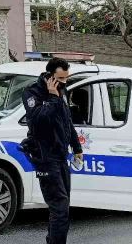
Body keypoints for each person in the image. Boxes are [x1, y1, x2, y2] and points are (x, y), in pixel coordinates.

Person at [21, 57, 83, 244]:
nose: (65, 82)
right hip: (45, 157)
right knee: (60, 207)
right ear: (49, 76)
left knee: (62, 207)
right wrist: (52, 97)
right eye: (61, 78)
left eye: (66, 78)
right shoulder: (32, 93)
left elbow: (66, 121)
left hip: (61, 156)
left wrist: (77, 147)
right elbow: (39, 120)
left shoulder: (61, 91)